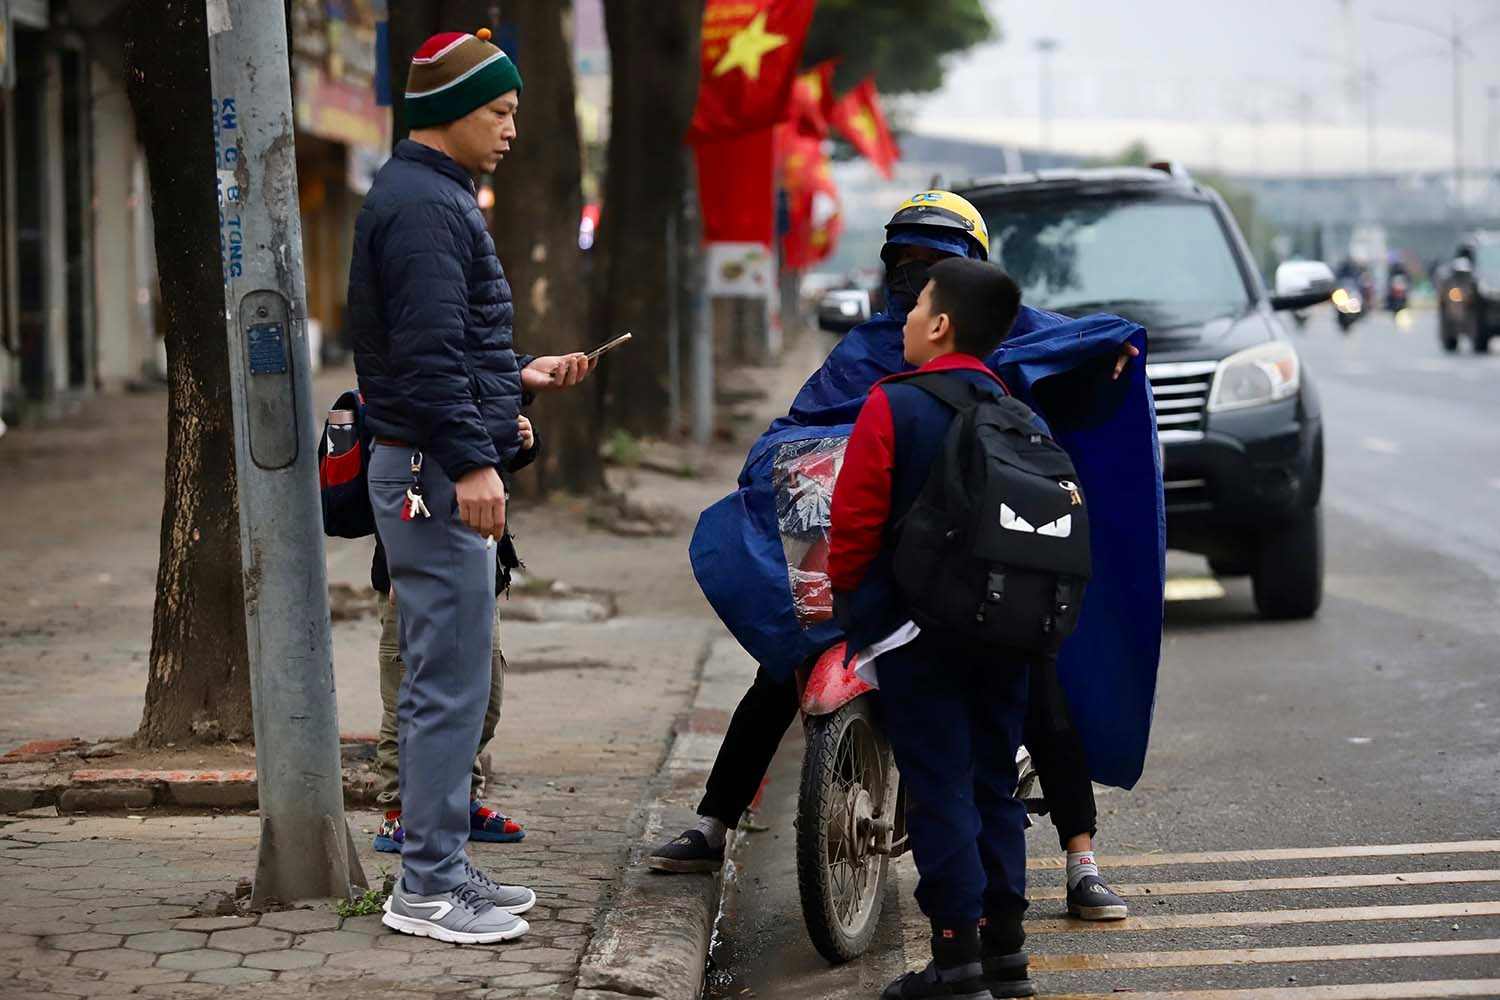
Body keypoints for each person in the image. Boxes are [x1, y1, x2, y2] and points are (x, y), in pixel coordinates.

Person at [651, 192, 1130, 923]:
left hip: (970, 563)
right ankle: (715, 822)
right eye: (902, 263)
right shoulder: (869, 349)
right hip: (879, 553)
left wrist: (1112, 355)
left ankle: (1080, 859)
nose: (914, 279)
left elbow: (1082, 355)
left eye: (931, 265)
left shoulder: (1015, 340)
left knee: (1038, 692)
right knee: (785, 663)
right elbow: (800, 431)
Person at [349, 28, 592, 945]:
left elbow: (454, 345)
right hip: (430, 472)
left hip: (430, 460)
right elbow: (423, 357)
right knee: (446, 688)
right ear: (448, 113)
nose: (511, 131)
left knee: (443, 683)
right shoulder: (422, 207)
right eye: (499, 112)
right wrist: (476, 458)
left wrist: (514, 379)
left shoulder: (433, 195)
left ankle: (442, 866)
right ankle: (425, 888)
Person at [829, 257, 1033, 999]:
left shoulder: (893, 404)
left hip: (918, 634)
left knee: (939, 788)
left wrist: (854, 610)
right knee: (994, 788)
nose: (908, 318)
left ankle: (956, 965)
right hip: (1007, 633)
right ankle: (1007, 957)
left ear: (941, 325)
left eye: (918, 307)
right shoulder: (1017, 411)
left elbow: (851, 528)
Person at [370, 414, 536, 854]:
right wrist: (396, 570)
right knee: (413, 696)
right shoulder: (416, 388)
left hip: (477, 565)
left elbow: (486, 471)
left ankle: (460, 800)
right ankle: (398, 813)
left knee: (483, 697)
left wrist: (518, 440)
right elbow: (401, 485)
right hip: (415, 572)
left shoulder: (472, 387)